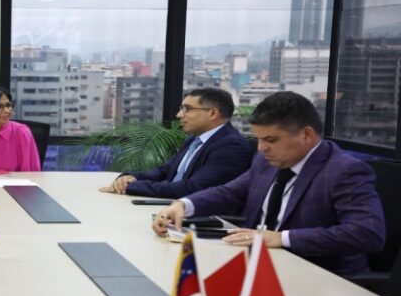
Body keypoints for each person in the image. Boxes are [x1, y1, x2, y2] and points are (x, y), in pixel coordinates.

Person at [152, 91, 385, 275]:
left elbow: (367, 233)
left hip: (319, 278)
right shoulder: (266, 160)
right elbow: (231, 192)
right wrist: (183, 205)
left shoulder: (344, 170)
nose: (262, 148)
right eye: (260, 139)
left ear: (306, 135)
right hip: (258, 266)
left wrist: (282, 238)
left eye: (271, 140)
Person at [100, 88, 252, 199]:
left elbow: (193, 189)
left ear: (212, 113)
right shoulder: (194, 140)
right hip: (171, 208)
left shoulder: (231, 147)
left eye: (188, 109)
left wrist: (132, 187)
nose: (179, 115)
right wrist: (130, 178)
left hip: (203, 220)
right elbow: (164, 172)